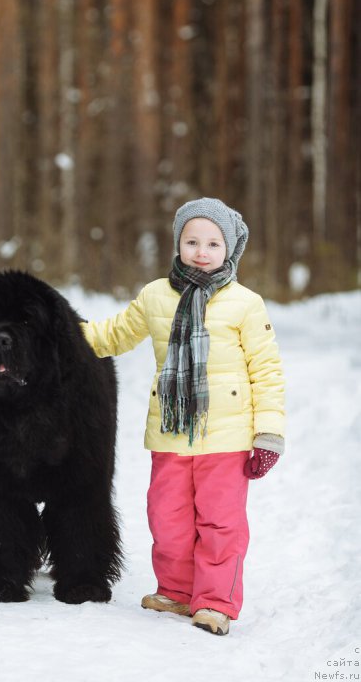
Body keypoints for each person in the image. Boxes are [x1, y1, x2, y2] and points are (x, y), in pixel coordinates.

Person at [80, 197, 285, 636]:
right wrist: (59, 331)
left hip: (227, 439)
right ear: (177, 244)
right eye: (192, 242)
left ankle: (214, 602)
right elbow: (115, 334)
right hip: (171, 433)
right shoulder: (156, 295)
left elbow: (266, 370)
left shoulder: (246, 304)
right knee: (167, 518)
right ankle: (175, 591)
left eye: (213, 243)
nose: (201, 252)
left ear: (229, 249)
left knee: (220, 522)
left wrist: (268, 433)